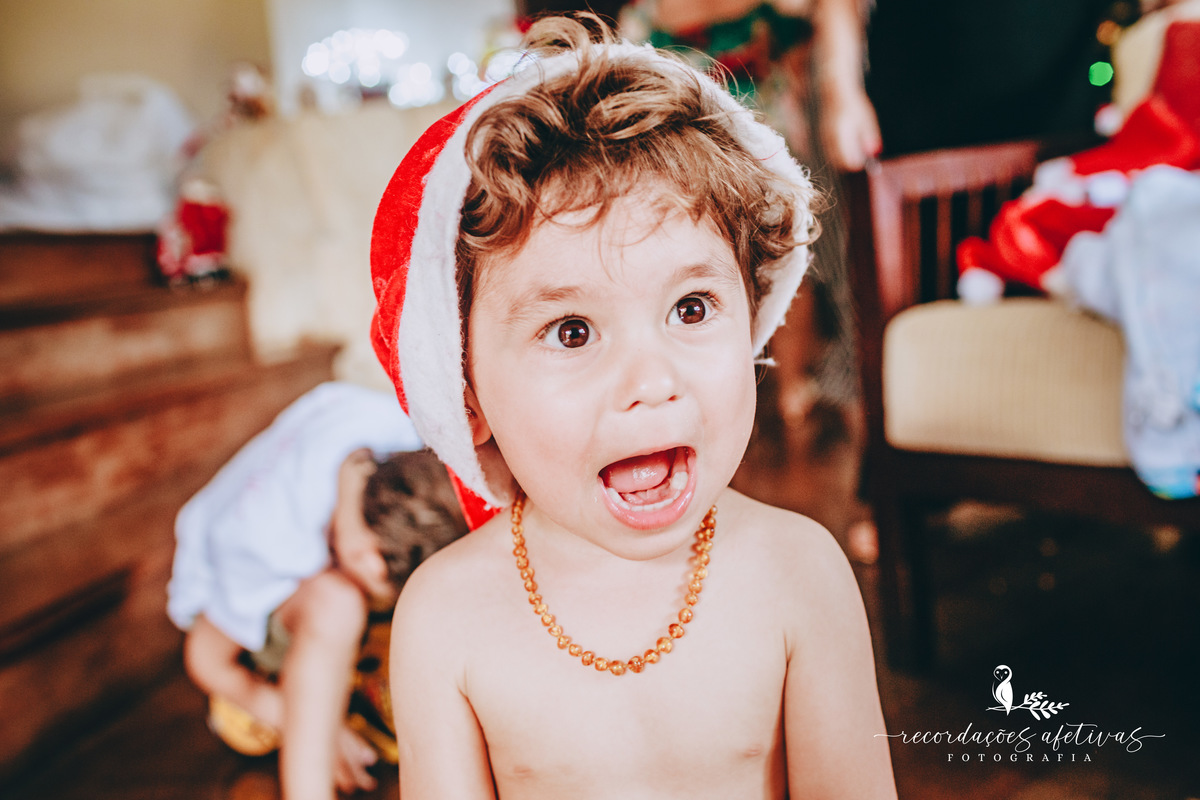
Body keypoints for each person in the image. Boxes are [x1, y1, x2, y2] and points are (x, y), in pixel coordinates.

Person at [371, 15, 896, 799]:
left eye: (690, 308)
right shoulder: (445, 618)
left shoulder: (800, 573)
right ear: (467, 394)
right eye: (572, 330)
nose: (650, 381)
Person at [166, 381, 467, 800]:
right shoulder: (269, 539)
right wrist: (310, 727)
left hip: (309, 602)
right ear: (366, 558)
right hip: (238, 635)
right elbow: (206, 660)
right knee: (336, 604)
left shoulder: (405, 433)